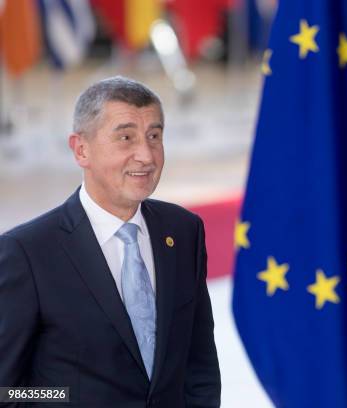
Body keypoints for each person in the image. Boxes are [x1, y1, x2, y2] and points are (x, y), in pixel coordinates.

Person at [0, 77, 221, 407]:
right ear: (81, 149)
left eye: (154, 137)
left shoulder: (184, 230)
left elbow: (199, 364)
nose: (145, 155)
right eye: (126, 137)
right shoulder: (27, 253)